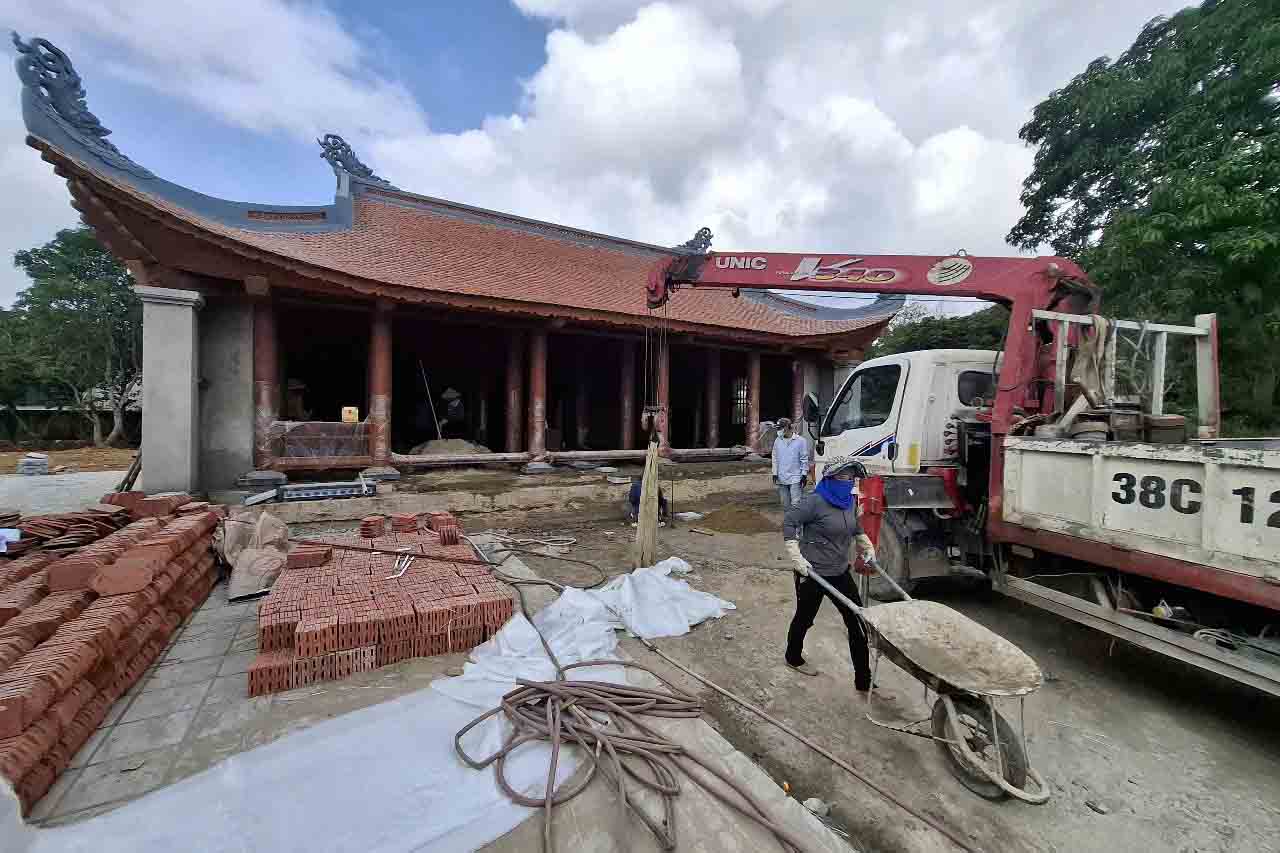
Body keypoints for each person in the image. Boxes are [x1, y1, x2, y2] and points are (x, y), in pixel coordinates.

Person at [781, 458, 877, 691]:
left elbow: (855, 526)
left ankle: (864, 682)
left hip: (839, 571)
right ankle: (793, 657)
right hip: (812, 572)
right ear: (830, 478)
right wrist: (796, 556)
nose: (848, 482)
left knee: (857, 622)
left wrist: (865, 545)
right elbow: (790, 521)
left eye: (851, 478)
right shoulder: (814, 501)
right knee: (805, 618)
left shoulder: (849, 501)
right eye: (843, 477)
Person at [771, 417, 810, 510]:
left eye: (780, 428)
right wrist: (774, 473)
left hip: (795, 476)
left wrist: (804, 474)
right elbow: (774, 457)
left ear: (787, 427)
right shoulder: (778, 440)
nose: (778, 430)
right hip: (781, 476)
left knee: (796, 503)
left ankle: (797, 520)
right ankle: (788, 519)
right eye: (778, 428)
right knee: (785, 503)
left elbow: (804, 458)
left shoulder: (800, 441)